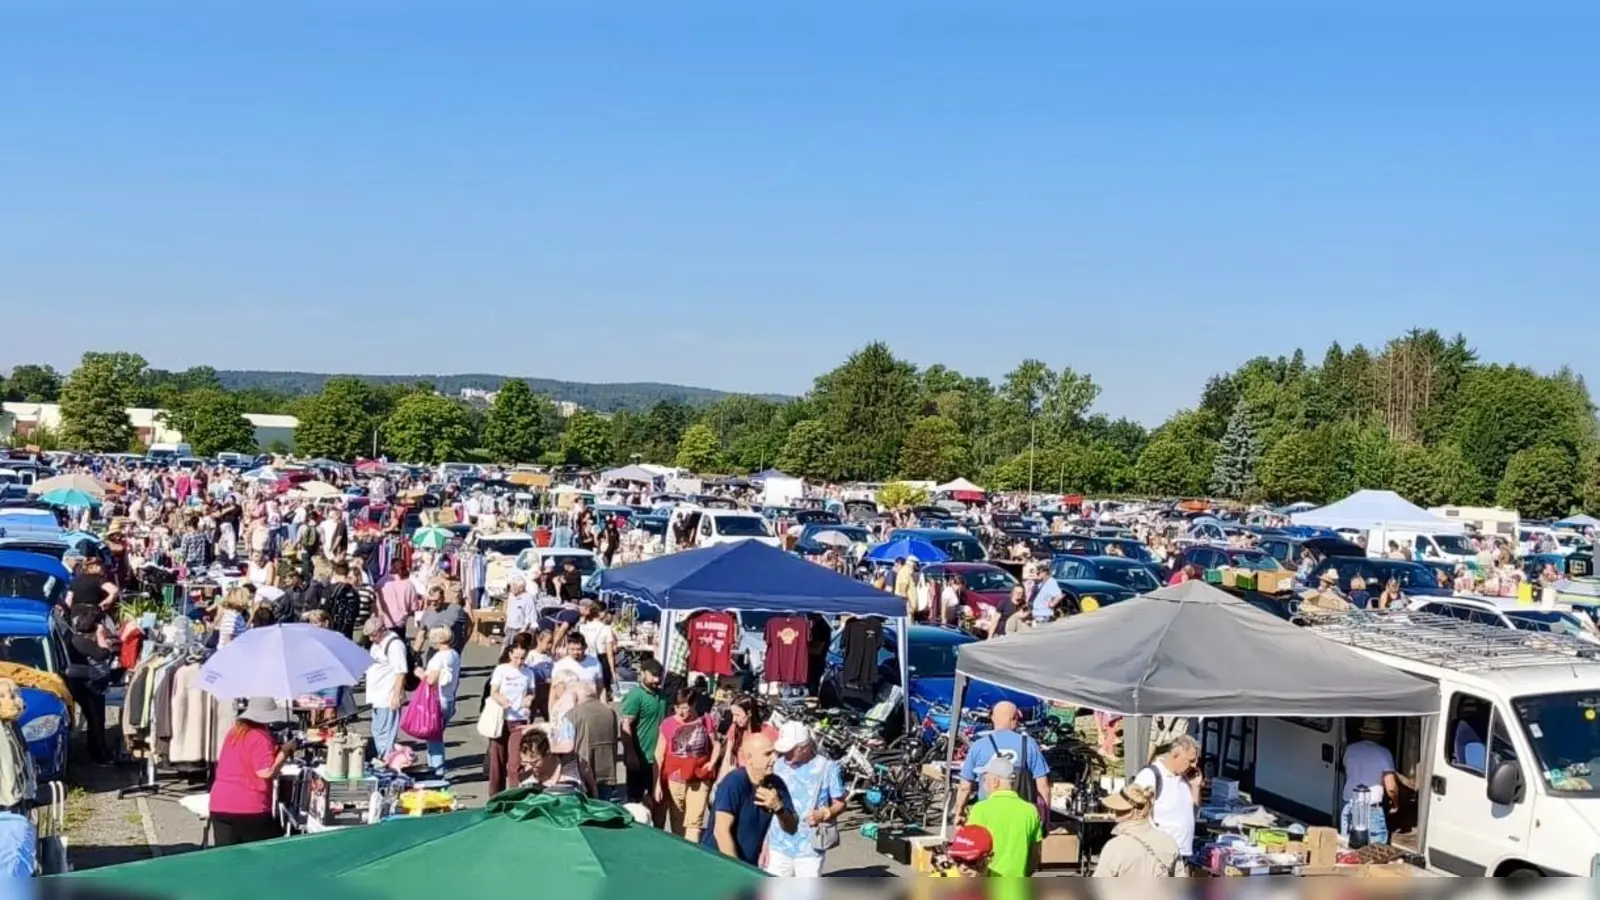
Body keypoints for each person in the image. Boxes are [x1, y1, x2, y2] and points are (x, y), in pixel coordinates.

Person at [210, 698, 297, 847]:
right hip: (249, 806)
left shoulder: (234, 733)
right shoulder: (261, 736)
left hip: (220, 803)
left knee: (227, 856)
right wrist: (285, 751)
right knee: (263, 854)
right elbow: (265, 772)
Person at [701, 733, 797, 865]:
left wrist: (779, 809)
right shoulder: (734, 782)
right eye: (768, 754)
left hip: (748, 865)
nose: (774, 759)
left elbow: (792, 828)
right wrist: (737, 870)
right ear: (749, 758)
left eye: (775, 753)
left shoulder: (777, 784)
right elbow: (721, 831)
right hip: (717, 862)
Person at [764, 721, 845, 877]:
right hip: (777, 845)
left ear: (804, 747)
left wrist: (824, 813)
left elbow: (840, 803)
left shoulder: (827, 767)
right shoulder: (777, 765)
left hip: (809, 849)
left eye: (790, 750)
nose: (785, 754)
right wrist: (764, 843)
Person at [954, 701, 1050, 817]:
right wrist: (1045, 818)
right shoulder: (1029, 744)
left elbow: (965, 787)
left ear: (993, 718)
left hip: (987, 814)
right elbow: (1043, 786)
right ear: (1014, 719)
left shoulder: (979, 745)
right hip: (1021, 815)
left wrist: (959, 812)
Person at [655, 687, 721, 842]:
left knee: (694, 823)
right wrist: (657, 783)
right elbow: (659, 754)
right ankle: (680, 850)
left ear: (693, 705)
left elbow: (716, 744)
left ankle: (692, 849)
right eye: (677, 707)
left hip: (699, 777)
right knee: (678, 823)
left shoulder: (705, 720)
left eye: (684, 708)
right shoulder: (668, 724)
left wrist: (712, 763)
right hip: (675, 779)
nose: (680, 712)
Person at [965, 756, 1042, 877]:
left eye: (985, 779)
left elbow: (969, 850)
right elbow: (1035, 855)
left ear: (995, 782)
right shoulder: (1030, 811)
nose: (983, 783)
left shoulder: (980, 810)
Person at [1132, 734, 1201, 859]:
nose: (1195, 765)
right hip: (1158, 855)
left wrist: (1195, 787)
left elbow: (1192, 813)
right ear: (1175, 755)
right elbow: (1135, 815)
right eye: (1191, 760)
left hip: (1182, 854)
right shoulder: (1150, 775)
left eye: (1196, 760)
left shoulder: (1185, 778)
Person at [1092, 784, 1185, 877]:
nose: (1113, 815)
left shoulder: (1115, 847)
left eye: (1116, 811)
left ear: (1132, 812)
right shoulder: (1169, 841)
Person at [486, 643, 534, 795]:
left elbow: (531, 691)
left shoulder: (528, 672)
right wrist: (501, 699)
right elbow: (493, 691)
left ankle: (514, 794)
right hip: (501, 718)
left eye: (522, 658)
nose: (519, 661)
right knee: (497, 761)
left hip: (518, 720)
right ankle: (495, 795)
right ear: (510, 654)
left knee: (515, 762)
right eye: (516, 657)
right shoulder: (502, 670)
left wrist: (529, 699)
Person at [1341, 718, 1398, 846]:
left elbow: (1346, 770)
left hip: (1349, 804)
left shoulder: (1350, 749)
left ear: (1362, 733)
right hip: (1371, 807)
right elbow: (1391, 788)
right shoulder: (1384, 753)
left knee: (1347, 848)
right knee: (1376, 850)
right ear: (1380, 736)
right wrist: (1395, 804)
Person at [563, 678, 622, 801]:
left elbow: (565, 745)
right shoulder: (610, 712)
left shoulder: (572, 714)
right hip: (608, 771)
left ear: (574, 696)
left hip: (582, 773)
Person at [621, 659, 668, 809]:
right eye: (653, 675)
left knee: (656, 801)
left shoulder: (662, 696)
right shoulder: (636, 696)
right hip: (640, 758)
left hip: (658, 758)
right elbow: (625, 724)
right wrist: (630, 753)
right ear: (642, 674)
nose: (657, 679)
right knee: (635, 803)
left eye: (659, 675)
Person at [415, 626, 461, 779]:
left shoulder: (439, 658)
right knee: (435, 736)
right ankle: (433, 769)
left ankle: (437, 771)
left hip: (437, 701)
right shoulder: (454, 654)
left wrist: (420, 673)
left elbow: (431, 680)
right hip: (449, 699)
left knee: (434, 739)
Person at [363, 617, 409, 760]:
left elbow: (401, 671)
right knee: (377, 730)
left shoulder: (394, 645)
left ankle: (386, 759)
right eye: (369, 636)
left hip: (387, 695)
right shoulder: (377, 644)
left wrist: (396, 696)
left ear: (382, 629)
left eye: (373, 635)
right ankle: (382, 757)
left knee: (385, 732)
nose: (371, 639)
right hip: (376, 696)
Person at [717, 695, 778, 783]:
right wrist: (721, 782)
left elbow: (777, 759)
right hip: (741, 781)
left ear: (749, 713)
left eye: (737, 715)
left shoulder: (767, 731)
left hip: (761, 780)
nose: (734, 719)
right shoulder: (734, 729)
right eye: (733, 715)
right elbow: (727, 759)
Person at [518, 726, 592, 795]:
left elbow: (593, 790)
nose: (529, 767)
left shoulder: (574, 764)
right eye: (525, 762)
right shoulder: (524, 776)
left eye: (535, 762)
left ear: (548, 754)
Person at [417, 584, 469, 654]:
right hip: (433, 650)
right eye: (430, 601)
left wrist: (463, 642)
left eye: (436, 601)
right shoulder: (427, 613)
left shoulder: (455, 610)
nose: (433, 603)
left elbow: (469, 624)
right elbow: (421, 635)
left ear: (443, 598)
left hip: (450, 651)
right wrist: (415, 653)